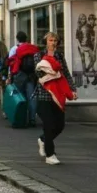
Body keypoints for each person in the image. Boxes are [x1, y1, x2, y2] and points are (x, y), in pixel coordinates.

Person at [34, 32, 76, 165]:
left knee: (60, 125)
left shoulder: (59, 56)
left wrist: (72, 89)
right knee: (48, 124)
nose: (53, 43)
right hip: (44, 95)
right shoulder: (38, 55)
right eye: (50, 40)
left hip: (58, 96)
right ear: (46, 42)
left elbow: (65, 73)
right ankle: (50, 154)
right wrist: (55, 73)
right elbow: (40, 73)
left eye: (55, 40)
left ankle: (43, 140)